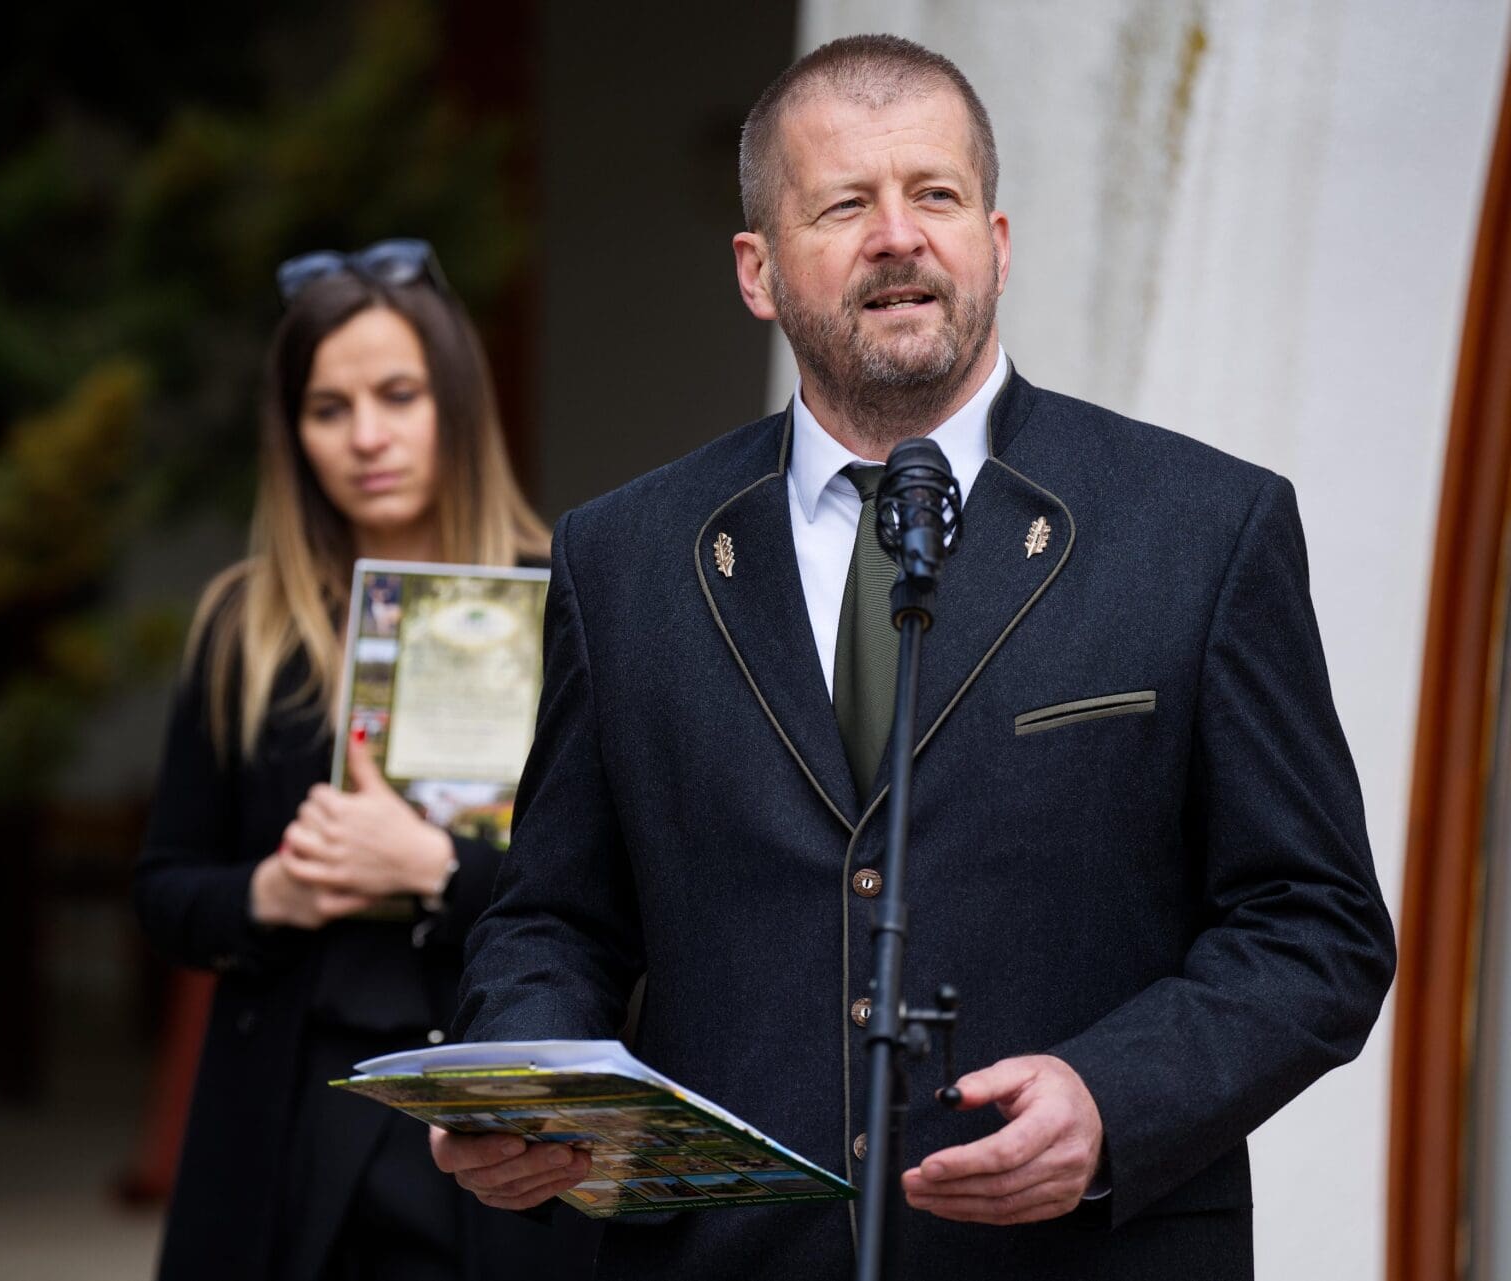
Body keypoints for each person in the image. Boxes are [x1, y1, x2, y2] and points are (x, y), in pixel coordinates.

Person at [431, 34, 1395, 1281]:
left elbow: (1317, 925)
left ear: (997, 241)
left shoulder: (1203, 527)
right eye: (843, 206)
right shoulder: (623, 558)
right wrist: (525, 1076)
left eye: (934, 194)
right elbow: (554, 917)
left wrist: (1115, 1100)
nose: (897, 236)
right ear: (758, 271)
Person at [134, 240, 594, 1280]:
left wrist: (432, 867)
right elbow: (164, 891)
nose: (367, 437)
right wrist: (271, 893)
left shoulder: (568, 604)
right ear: (292, 434)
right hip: (288, 1108)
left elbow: (621, 901)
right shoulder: (245, 625)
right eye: (328, 408)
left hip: (494, 1116)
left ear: (457, 405)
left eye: (398, 395)